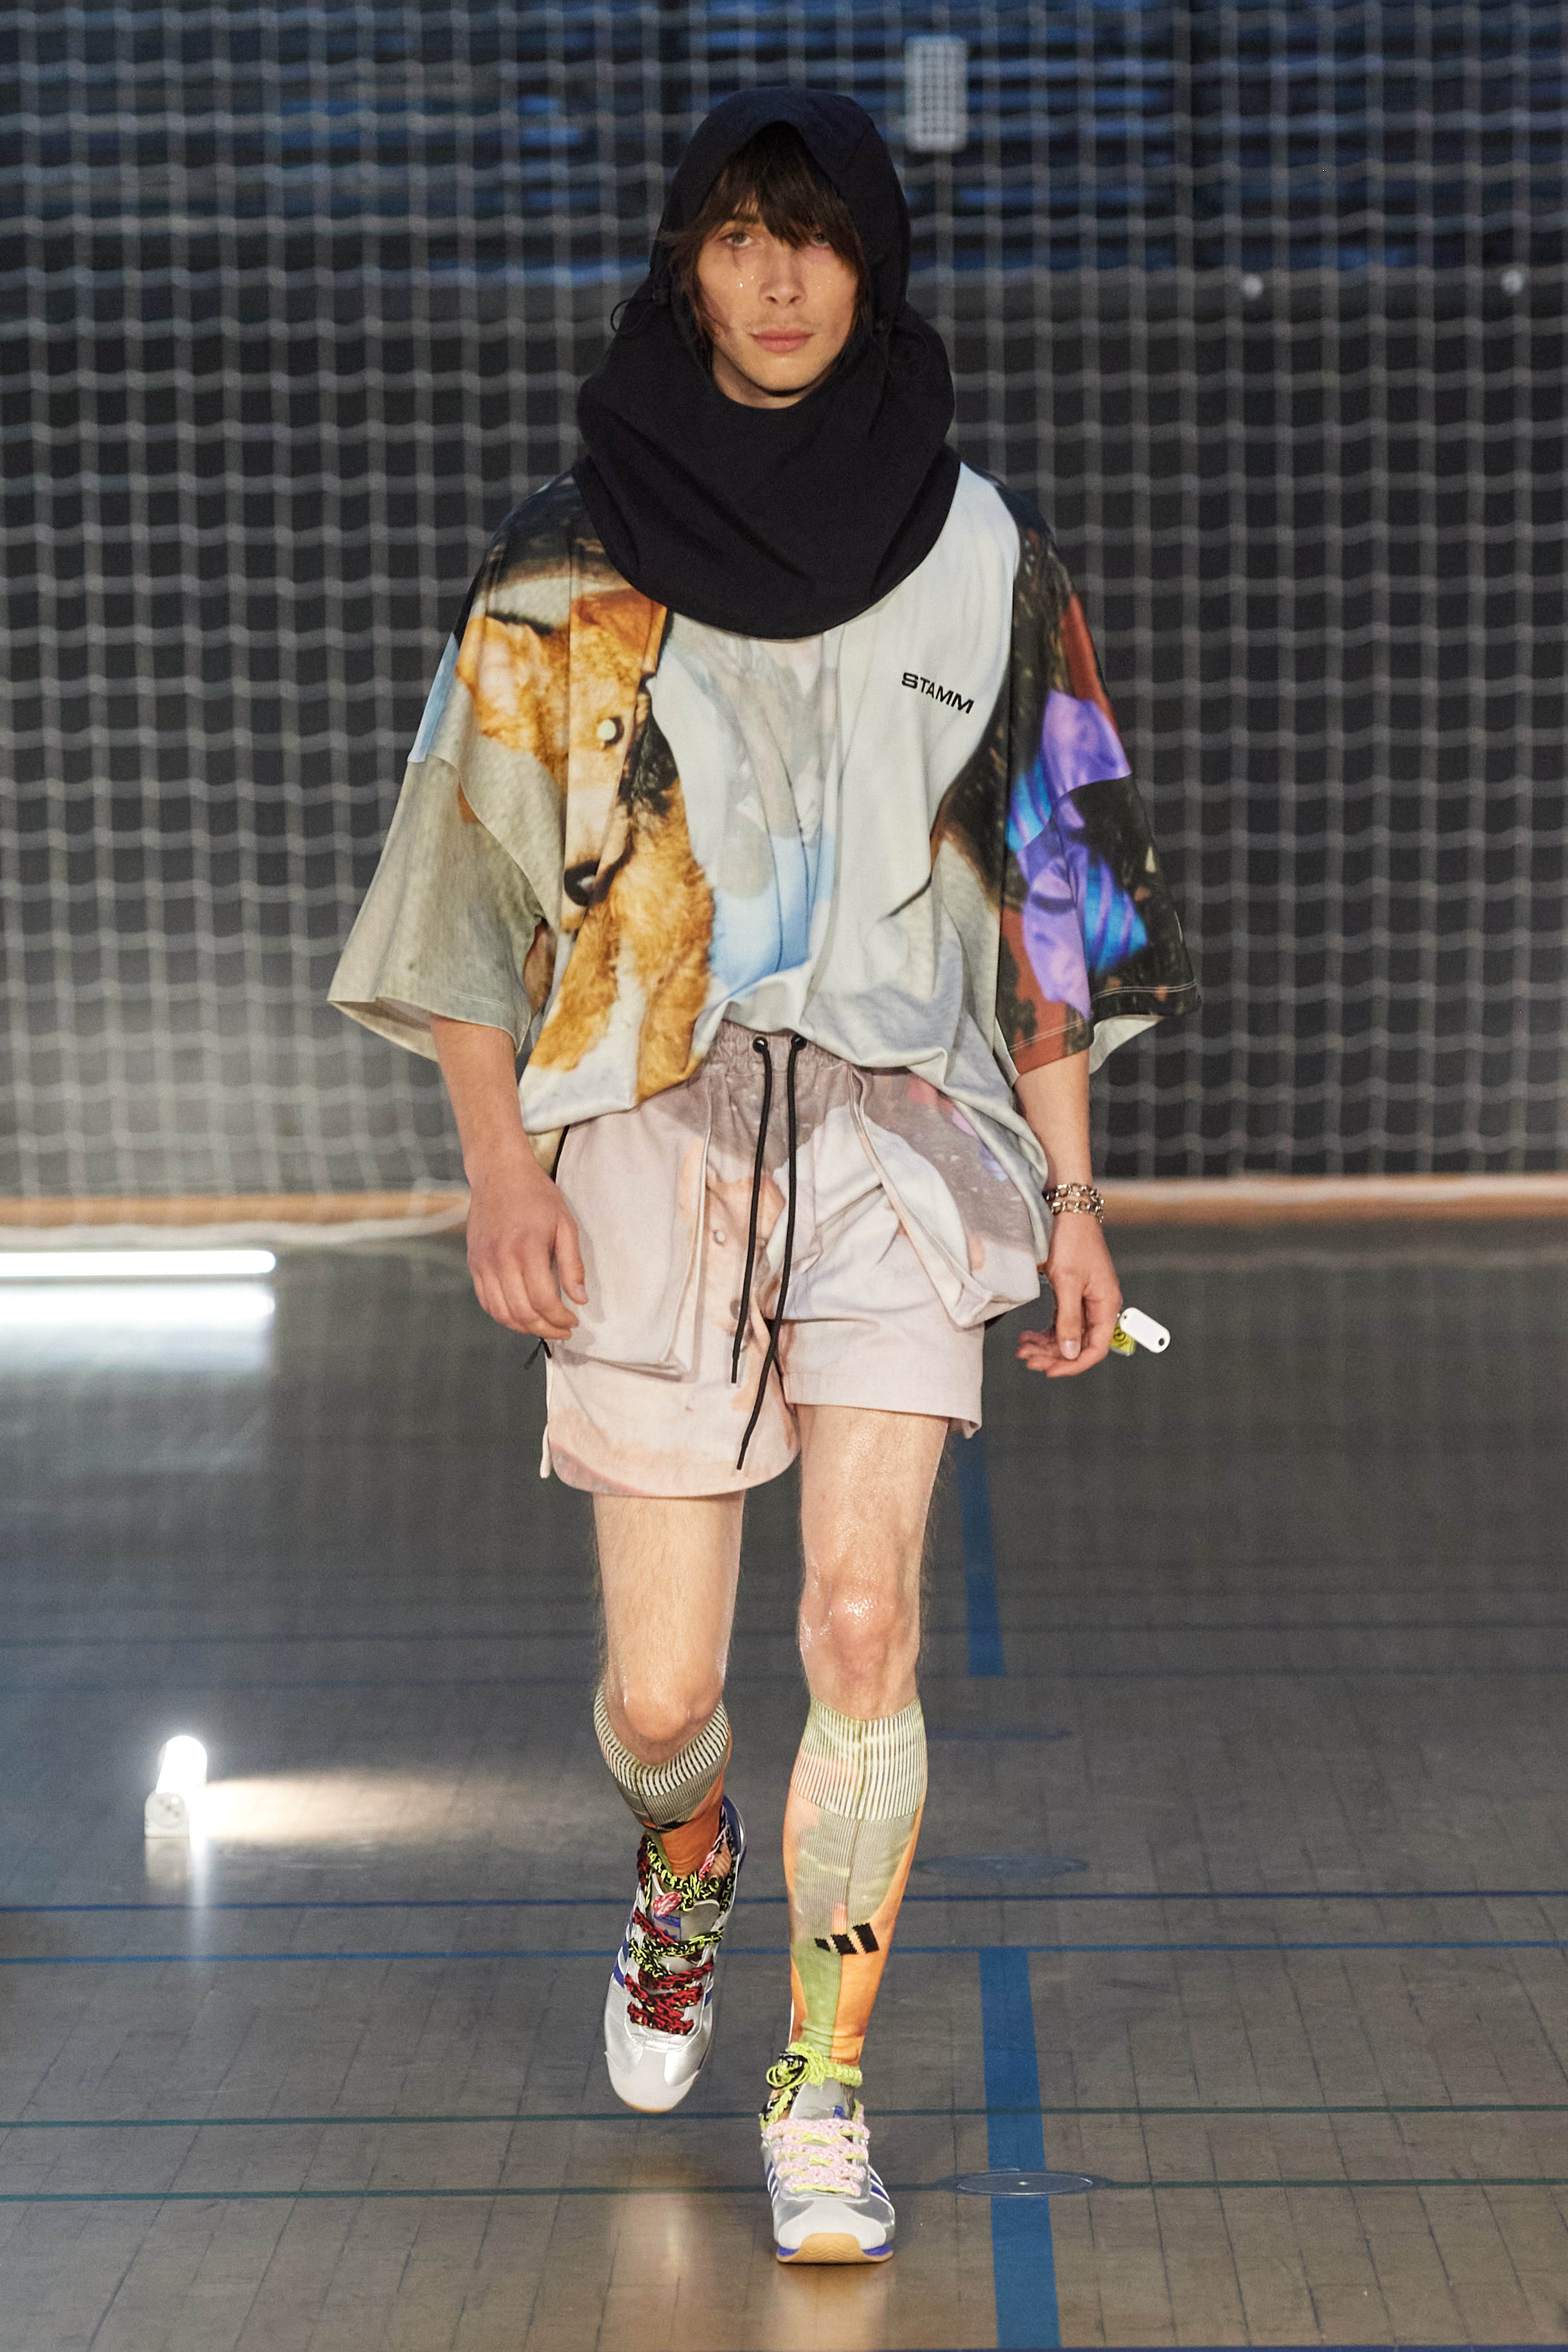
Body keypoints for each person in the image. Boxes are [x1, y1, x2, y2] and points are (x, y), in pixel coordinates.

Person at [331, 87, 1196, 2265]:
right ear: (686, 268)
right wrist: (497, 1166)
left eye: (814, 236)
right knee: (660, 1698)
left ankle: (823, 2087)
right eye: (738, 236)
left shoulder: (984, 548)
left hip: (902, 1127)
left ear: (871, 263)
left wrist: (1073, 1200)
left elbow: (1052, 895)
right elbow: (461, 886)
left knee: (863, 1618)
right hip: (646, 1123)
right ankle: (684, 1856)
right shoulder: (567, 561)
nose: (780, 277)